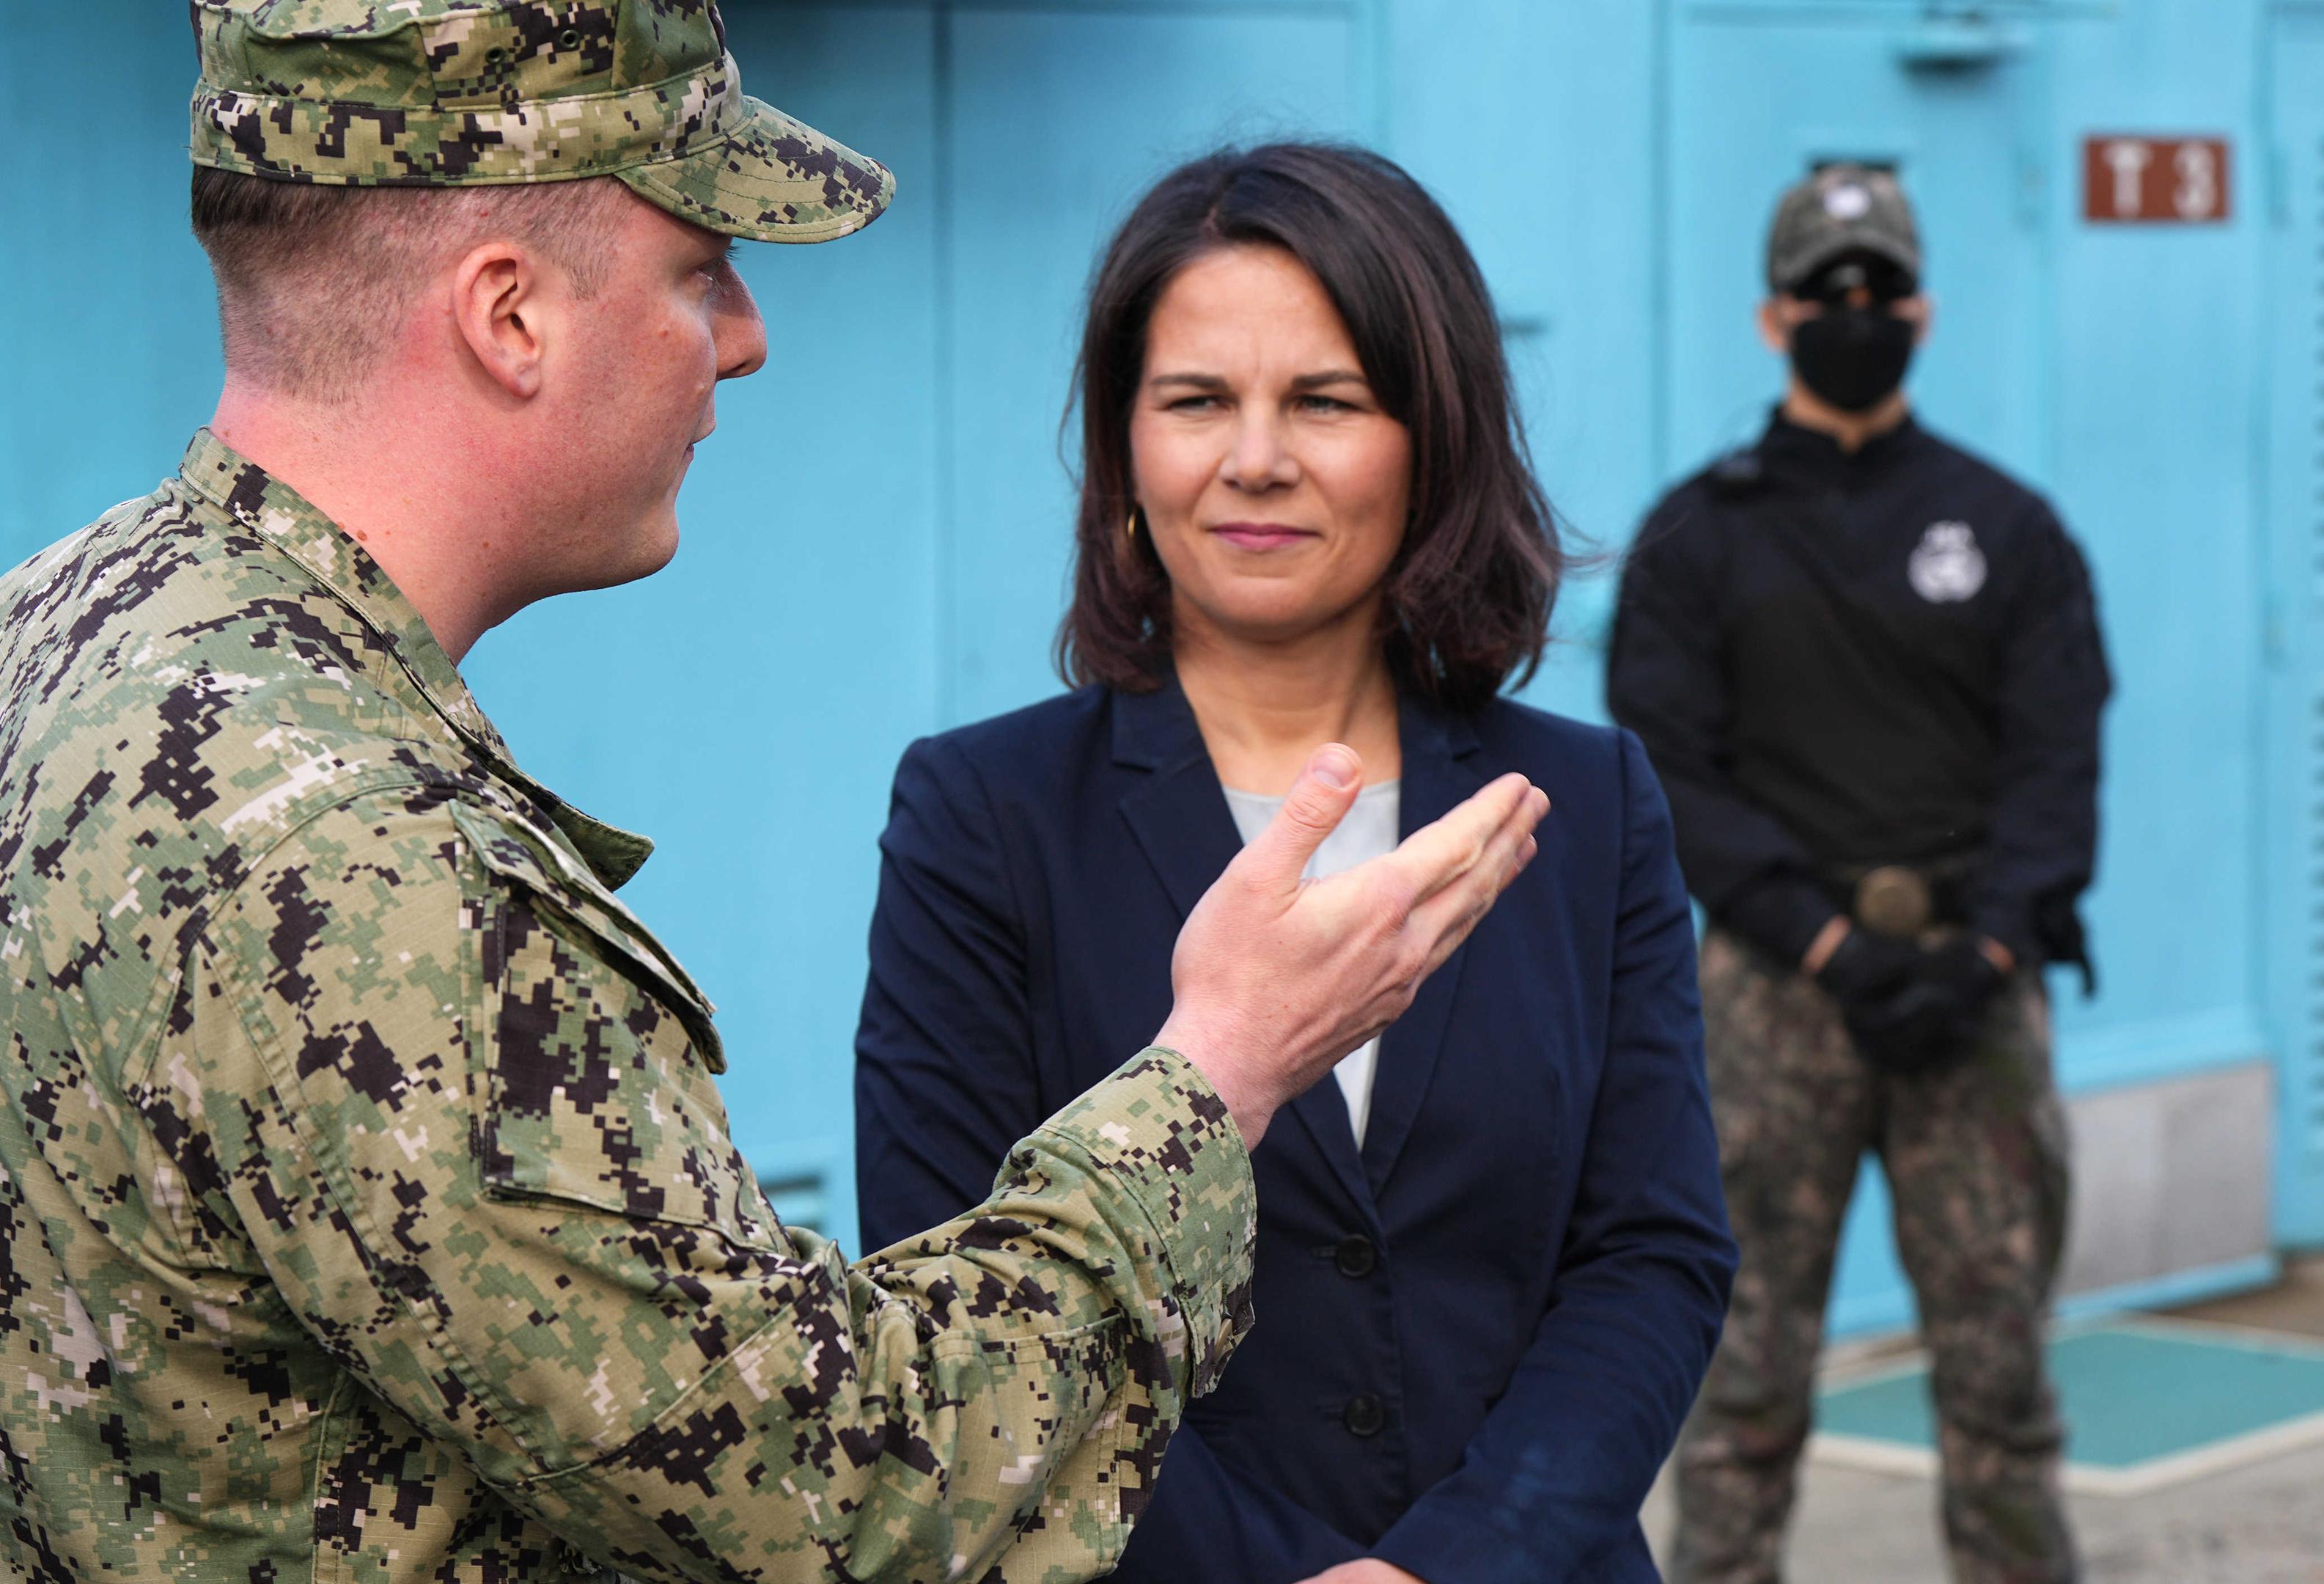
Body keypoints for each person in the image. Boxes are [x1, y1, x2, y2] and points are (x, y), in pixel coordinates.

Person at [0, 12, 1545, 1583]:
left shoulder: (62, 628)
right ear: (509, 316)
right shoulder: (363, 864)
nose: (743, 333)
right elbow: (837, 1491)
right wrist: (1220, 1064)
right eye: (698, 269)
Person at [853, 142, 1736, 1584]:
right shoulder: (985, 813)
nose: (1254, 457)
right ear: (1127, 449)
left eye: (1324, 401)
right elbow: (943, 1281)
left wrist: (1444, 1567)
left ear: (1430, 441)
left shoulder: (1583, 803)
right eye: (1197, 401)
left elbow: (1653, 1257)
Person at [1610, 163, 2111, 1584]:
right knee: (1740, 1391)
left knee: (2002, 1386)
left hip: (1978, 997)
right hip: (1777, 1000)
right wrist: (1827, 943)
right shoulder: (1700, 535)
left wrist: (1992, 948)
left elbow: (2057, 756)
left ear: (1925, 311)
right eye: (1826, 294)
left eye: (1880, 291)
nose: (1854, 313)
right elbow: (1671, 773)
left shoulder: (2008, 529)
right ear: (1773, 320)